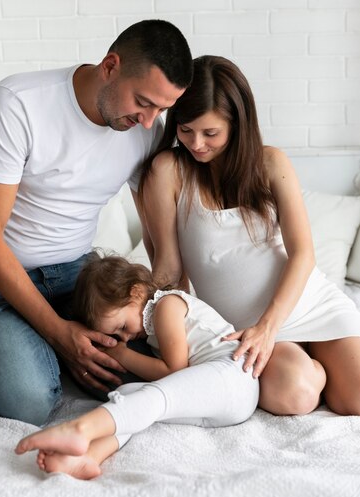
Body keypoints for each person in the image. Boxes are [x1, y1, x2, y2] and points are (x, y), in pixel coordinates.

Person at [0, 19, 193, 426]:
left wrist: (169, 301)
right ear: (111, 66)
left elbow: (154, 226)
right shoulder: (17, 103)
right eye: (143, 102)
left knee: (165, 371)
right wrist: (59, 334)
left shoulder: (144, 129)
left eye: (162, 110)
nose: (150, 121)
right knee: (24, 402)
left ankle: (52, 351)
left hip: (81, 279)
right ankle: (41, 349)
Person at [139, 54, 360, 417]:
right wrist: (155, 322)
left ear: (237, 124)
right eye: (186, 129)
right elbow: (169, 267)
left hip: (306, 305)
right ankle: (311, 364)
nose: (196, 144)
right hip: (241, 329)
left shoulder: (271, 163)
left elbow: (303, 254)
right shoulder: (168, 171)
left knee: (354, 401)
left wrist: (268, 327)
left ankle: (320, 358)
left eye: (211, 133)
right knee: (297, 394)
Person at [15, 252, 259, 479]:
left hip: (234, 376)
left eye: (122, 327)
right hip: (211, 408)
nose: (126, 339)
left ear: (136, 293)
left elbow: (175, 370)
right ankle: (90, 456)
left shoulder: (167, 306)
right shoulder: (150, 327)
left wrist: (122, 355)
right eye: (118, 336)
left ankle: (81, 429)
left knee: (155, 396)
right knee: (128, 396)